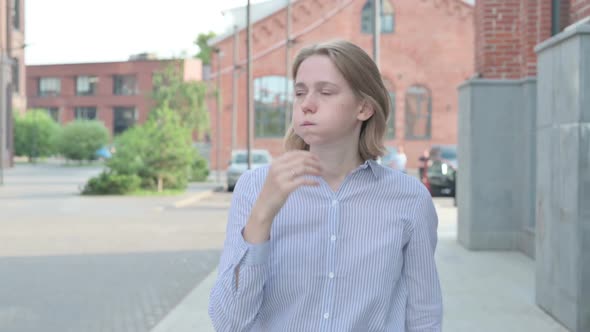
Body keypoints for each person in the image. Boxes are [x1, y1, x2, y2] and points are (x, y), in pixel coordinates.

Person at [208, 39, 442, 331]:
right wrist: (262, 216)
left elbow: (423, 314)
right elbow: (228, 323)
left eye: (326, 92)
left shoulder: (409, 198)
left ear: (364, 107)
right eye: (300, 92)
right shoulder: (255, 187)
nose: (307, 104)